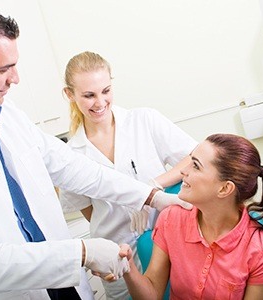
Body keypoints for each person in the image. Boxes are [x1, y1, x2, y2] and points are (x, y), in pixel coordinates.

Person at [0, 3, 194, 300]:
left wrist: (151, 195)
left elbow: (72, 168)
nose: (16, 78)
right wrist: (83, 252)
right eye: (3, 69)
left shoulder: (7, 114)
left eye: (14, 65)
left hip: (65, 282)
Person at [60, 51, 198, 299]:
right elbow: (89, 211)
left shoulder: (144, 120)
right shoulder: (70, 154)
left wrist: (152, 189)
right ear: (69, 95)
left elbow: (193, 157)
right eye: (89, 95)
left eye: (106, 91)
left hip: (167, 245)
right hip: (118, 257)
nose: (100, 102)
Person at [119, 133, 263, 299]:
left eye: (196, 166)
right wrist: (128, 269)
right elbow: (152, 293)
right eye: (190, 161)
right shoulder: (171, 218)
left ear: (224, 189)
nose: (183, 171)